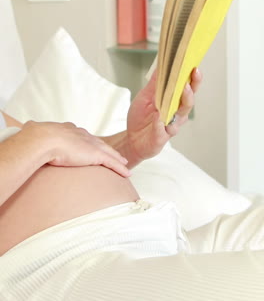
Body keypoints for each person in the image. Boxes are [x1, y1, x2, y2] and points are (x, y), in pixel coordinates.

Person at [0, 68, 202, 256]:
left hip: (145, 229)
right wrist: (41, 140)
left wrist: (131, 144)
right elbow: (36, 146)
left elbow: (32, 156)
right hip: (58, 261)